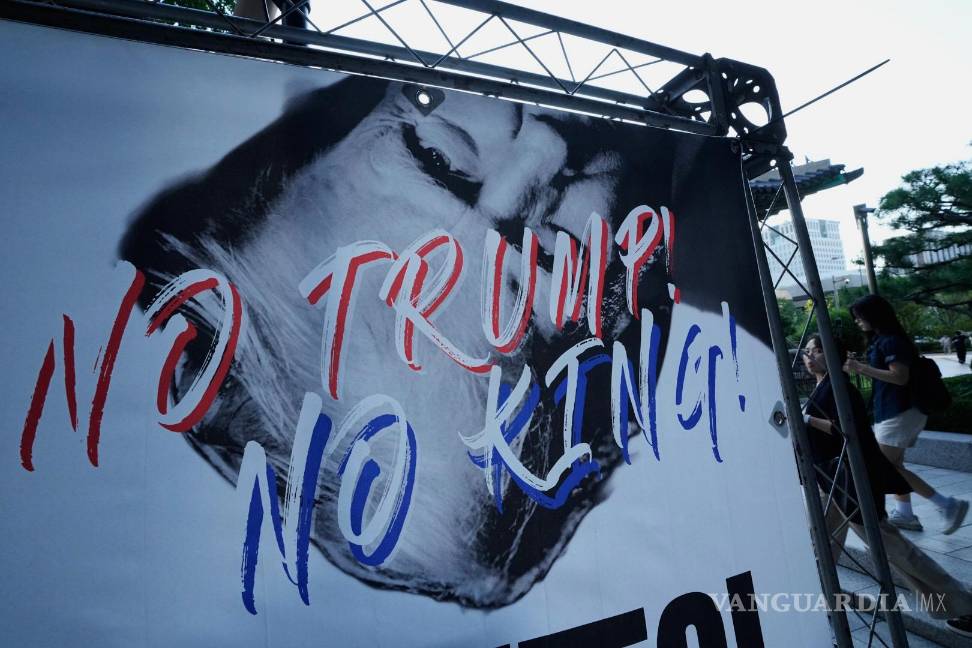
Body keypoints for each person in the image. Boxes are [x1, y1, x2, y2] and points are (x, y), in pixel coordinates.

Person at [119, 76, 768, 607]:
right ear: (617, 319)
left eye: (435, 157)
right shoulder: (753, 350)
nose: (541, 147)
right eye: (545, 255)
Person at [801, 335, 972, 636]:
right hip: (829, 480)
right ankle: (821, 600)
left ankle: (963, 605)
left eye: (816, 351)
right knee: (822, 545)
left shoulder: (840, 389)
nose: (810, 356)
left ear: (833, 355)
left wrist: (807, 420)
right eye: (807, 352)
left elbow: (846, 432)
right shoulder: (823, 386)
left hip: (847, 481)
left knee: (893, 549)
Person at [844, 294, 968, 534]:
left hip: (899, 411)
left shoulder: (891, 341)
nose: (857, 322)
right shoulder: (884, 340)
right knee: (895, 465)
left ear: (873, 315)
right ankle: (905, 513)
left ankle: (946, 505)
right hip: (891, 410)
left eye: (859, 317)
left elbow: (900, 377)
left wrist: (861, 368)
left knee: (885, 467)